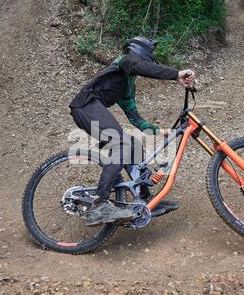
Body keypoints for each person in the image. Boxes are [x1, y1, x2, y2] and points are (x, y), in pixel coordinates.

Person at [69, 36, 196, 226]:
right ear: (140, 53)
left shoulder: (127, 87)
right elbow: (139, 66)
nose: (147, 62)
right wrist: (176, 74)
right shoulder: (126, 61)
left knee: (133, 146)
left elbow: (134, 117)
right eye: (148, 58)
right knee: (122, 144)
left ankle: (144, 200)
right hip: (85, 105)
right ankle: (99, 204)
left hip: (91, 108)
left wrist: (160, 131)